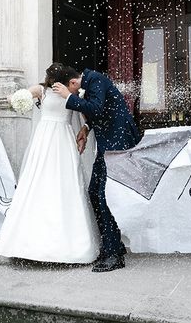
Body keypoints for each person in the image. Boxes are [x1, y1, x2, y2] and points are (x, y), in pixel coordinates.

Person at [0, 63, 99, 264]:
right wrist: (13, 99)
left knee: (64, 184)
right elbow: (18, 97)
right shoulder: (42, 90)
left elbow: (87, 115)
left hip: (63, 139)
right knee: (38, 182)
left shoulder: (74, 92)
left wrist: (84, 127)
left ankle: (65, 246)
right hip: (44, 139)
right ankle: (26, 245)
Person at [53, 65, 141, 272]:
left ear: (73, 83)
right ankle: (113, 246)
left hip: (118, 143)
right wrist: (86, 127)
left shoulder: (95, 79)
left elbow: (96, 108)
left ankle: (113, 255)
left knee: (104, 196)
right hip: (107, 144)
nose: (72, 94)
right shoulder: (90, 82)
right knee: (95, 192)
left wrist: (68, 97)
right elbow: (98, 110)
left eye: (70, 89)